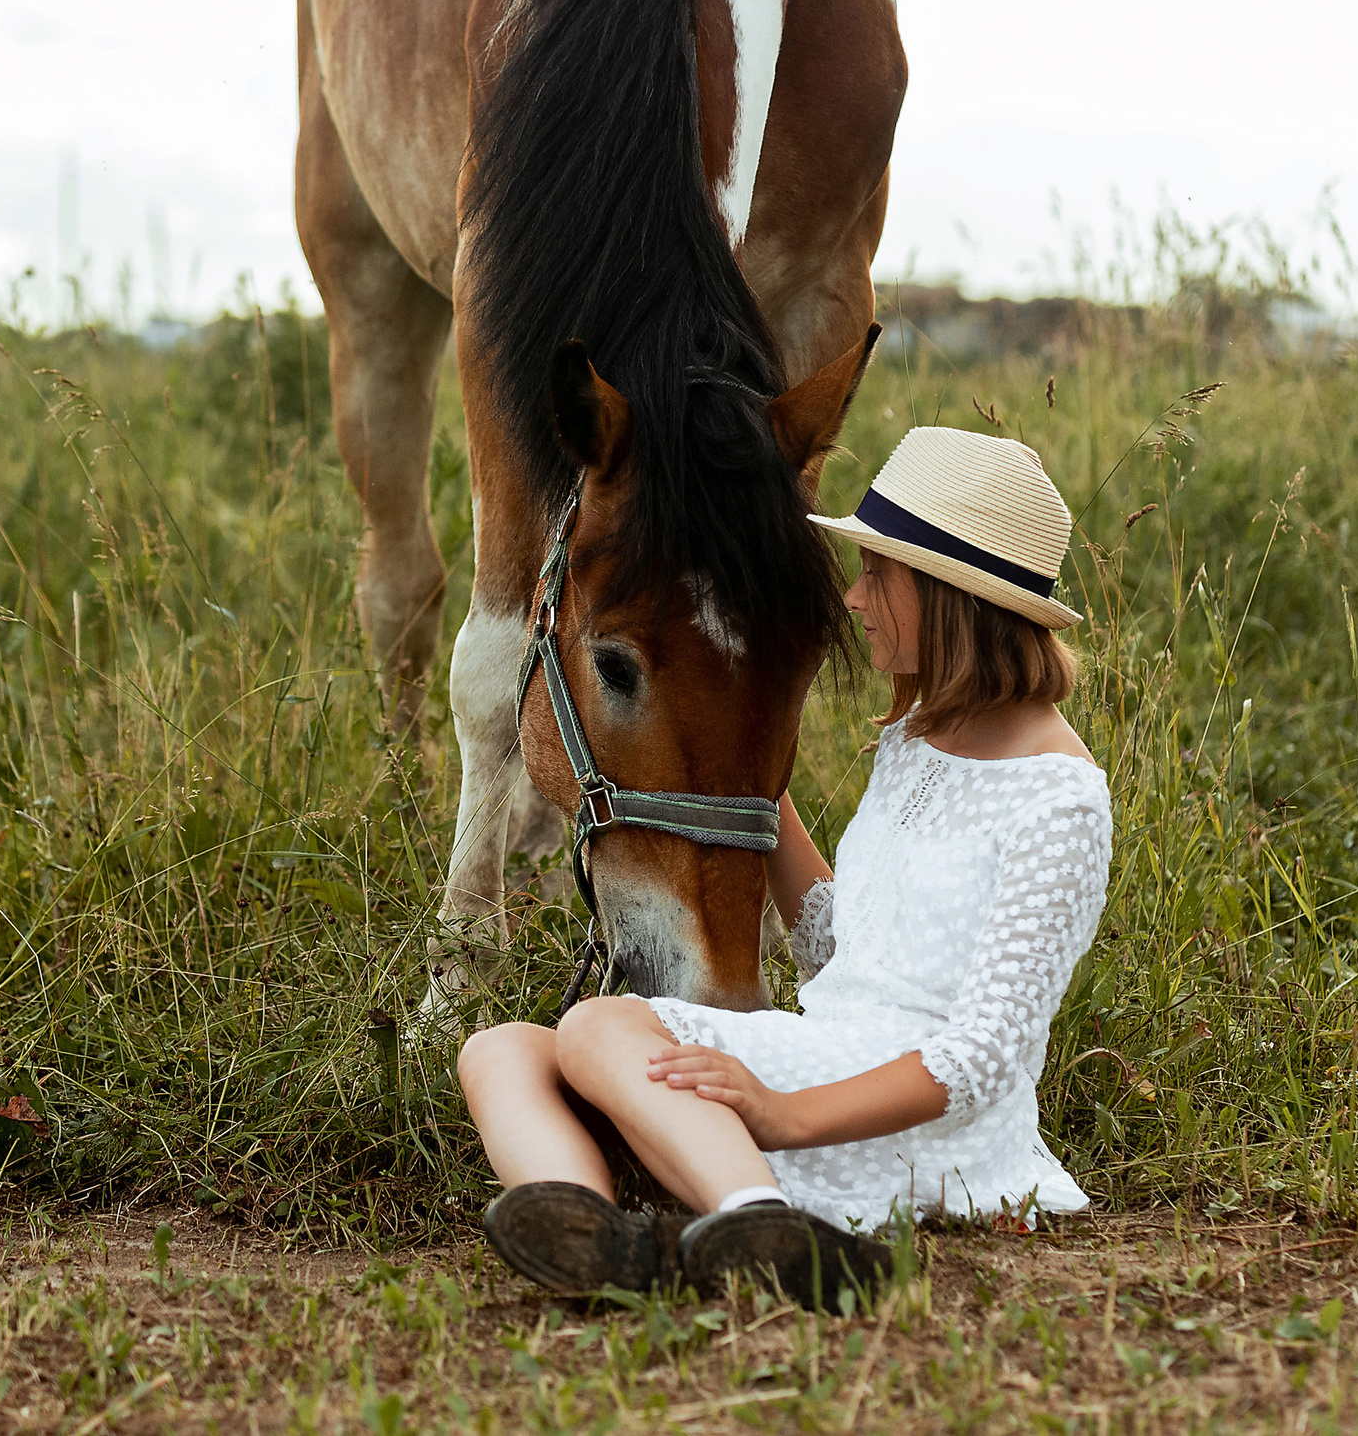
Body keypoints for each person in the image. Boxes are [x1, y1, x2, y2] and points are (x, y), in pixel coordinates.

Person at [457, 426, 1115, 1309]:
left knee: (595, 1029)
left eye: (880, 573)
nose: (854, 595)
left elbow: (984, 1054)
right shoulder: (916, 743)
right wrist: (755, 787)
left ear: (952, 595)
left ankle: (763, 1222)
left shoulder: (1059, 800)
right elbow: (840, 949)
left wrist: (781, 1112)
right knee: (500, 1050)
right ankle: (604, 1244)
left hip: (917, 1118)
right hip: (829, 1052)